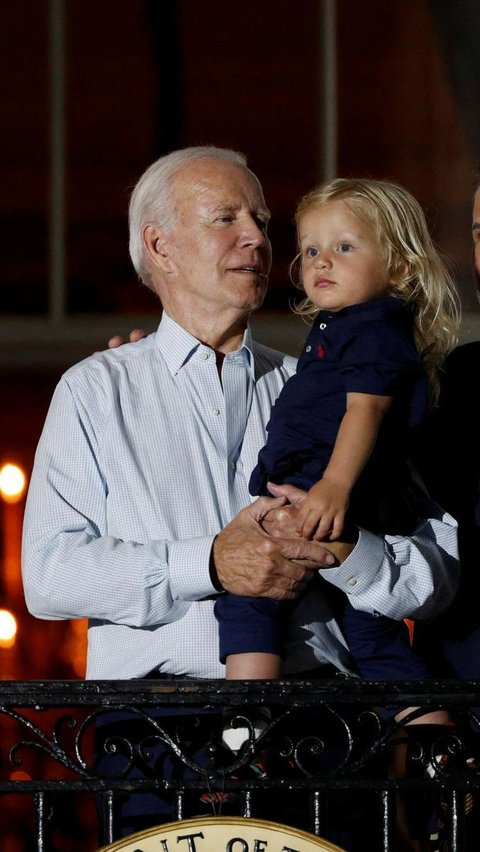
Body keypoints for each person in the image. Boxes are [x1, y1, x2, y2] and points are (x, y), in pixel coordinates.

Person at [21, 146, 460, 845]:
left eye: (259, 218)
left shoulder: (326, 389)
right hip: (154, 740)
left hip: (326, 732)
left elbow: (436, 574)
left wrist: (347, 550)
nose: (257, 237)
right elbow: (48, 577)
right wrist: (213, 565)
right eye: (225, 218)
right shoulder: (96, 391)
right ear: (159, 246)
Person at [215, 178, 460, 742]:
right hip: (330, 491)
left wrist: (333, 486)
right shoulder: (343, 328)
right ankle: (436, 741)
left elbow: (366, 412)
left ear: (399, 266)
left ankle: (245, 723)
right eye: (310, 250)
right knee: (370, 633)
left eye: (345, 247)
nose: (322, 261)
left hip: (328, 491)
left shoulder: (372, 329)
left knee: (249, 594)